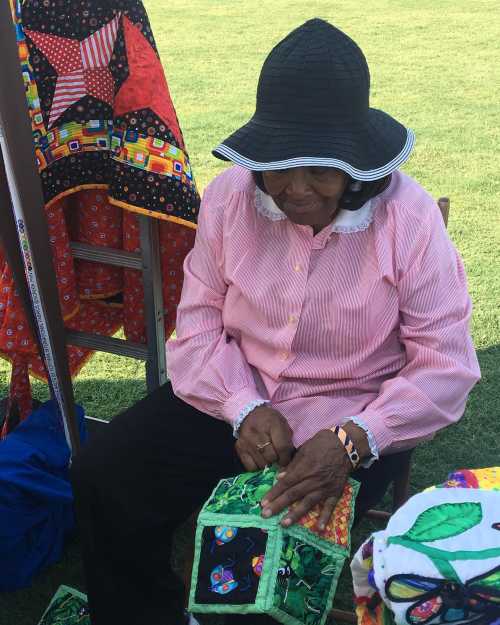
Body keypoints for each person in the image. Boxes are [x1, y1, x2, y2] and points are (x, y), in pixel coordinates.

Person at [70, 18, 480, 625]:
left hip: (352, 420)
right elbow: (202, 326)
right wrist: (241, 405)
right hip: (231, 396)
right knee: (105, 472)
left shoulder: (408, 220)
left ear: (358, 165)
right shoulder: (231, 198)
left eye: (320, 168)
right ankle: (145, 610)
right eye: (280, 164)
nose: (295, 188)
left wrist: (352, 440)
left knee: (268, 571)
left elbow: (445, 368)